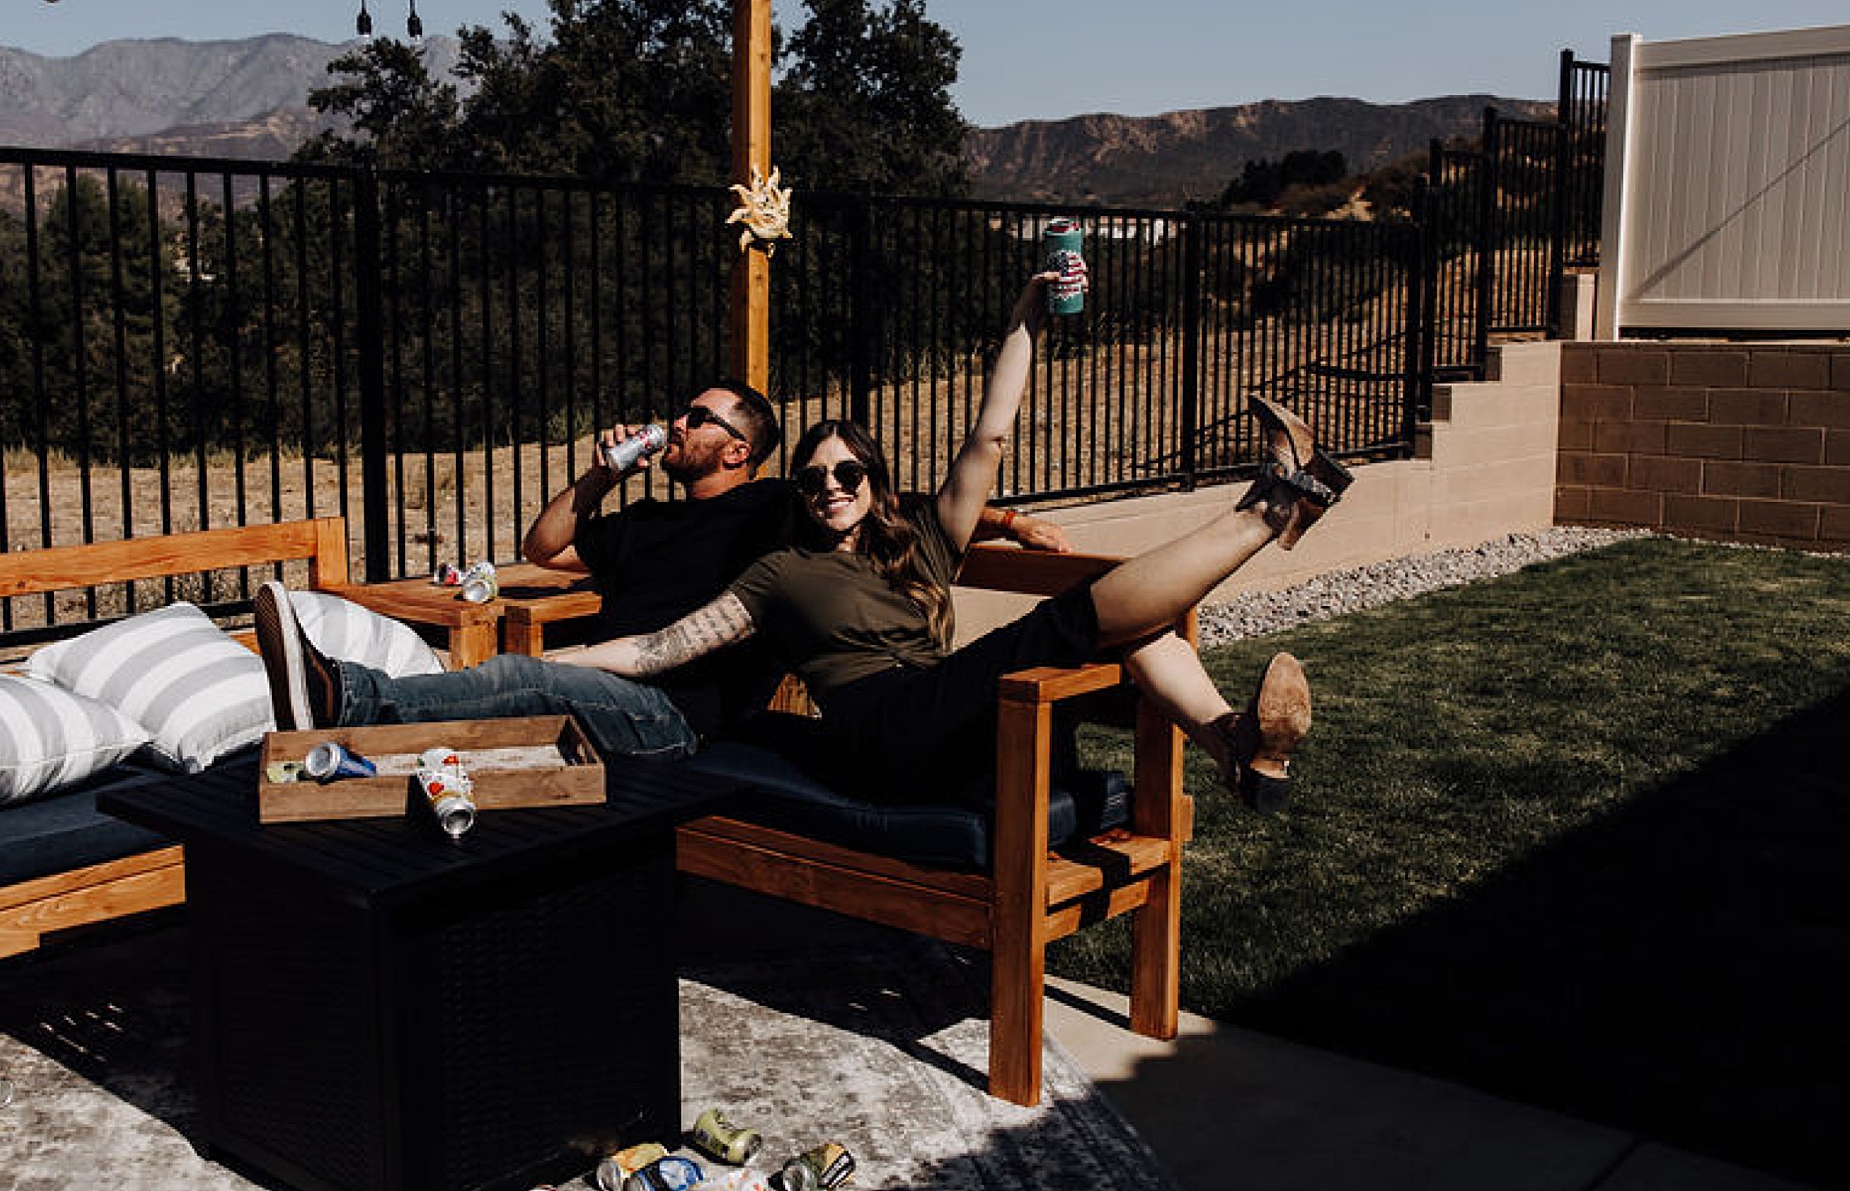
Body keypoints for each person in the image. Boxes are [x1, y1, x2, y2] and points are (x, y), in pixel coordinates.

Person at [545, 296, 1346, 810]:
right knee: (1074, 615)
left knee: (1126, 624)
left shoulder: (922, 540)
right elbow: (657, 648)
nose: (832, 485)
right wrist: (557, 668)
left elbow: (989, 433)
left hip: (957, 731)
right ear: (798, 490)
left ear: (875, 483)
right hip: (883, 740)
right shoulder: (780, 570)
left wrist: (1028, 316)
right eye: (815, 475)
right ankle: (1273, 504)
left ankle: (1237, 749)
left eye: (849, 471)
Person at [254, 377, 791, 761]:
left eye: (698, 418)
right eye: (683, 411)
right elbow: (544, 549)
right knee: (513, 681)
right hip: (603, 684)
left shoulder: (767, 509)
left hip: (672, 714)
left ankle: (345, 699)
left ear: (737, 451)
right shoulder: (648, 519)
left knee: (518, 676)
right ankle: (342, 713)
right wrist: (601, 476)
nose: (677, 423)